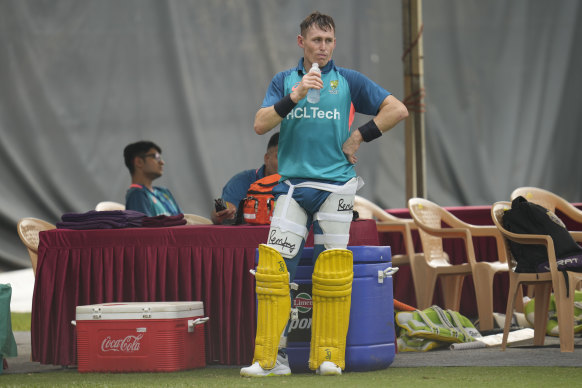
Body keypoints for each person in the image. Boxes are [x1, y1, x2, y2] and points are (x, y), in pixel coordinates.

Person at [240, 11, 408, 377]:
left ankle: (329, 357)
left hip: (336, 186)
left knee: (333, 271)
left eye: (329, 41)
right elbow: (259, 124)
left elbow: (397, 109)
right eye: (317, 40)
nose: (324, 48)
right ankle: (271, 360)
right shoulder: (285, 80)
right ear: (301, 43)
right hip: (293, 186)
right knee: (273, 272)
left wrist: (360, 135)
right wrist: (296, 94)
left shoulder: (347, 79)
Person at [211, 132, 279, 225]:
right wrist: (222, 211)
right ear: (267, 158)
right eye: (280, 157)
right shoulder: (242, 181)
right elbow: (220, 212)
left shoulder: (301, 184)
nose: (287, 163)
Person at [123, 141, 183, 217]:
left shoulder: (164, 192)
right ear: (139, 162)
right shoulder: (137, 194)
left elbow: (183, 220)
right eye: (156, 157)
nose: (162, 162)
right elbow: (145, 228)